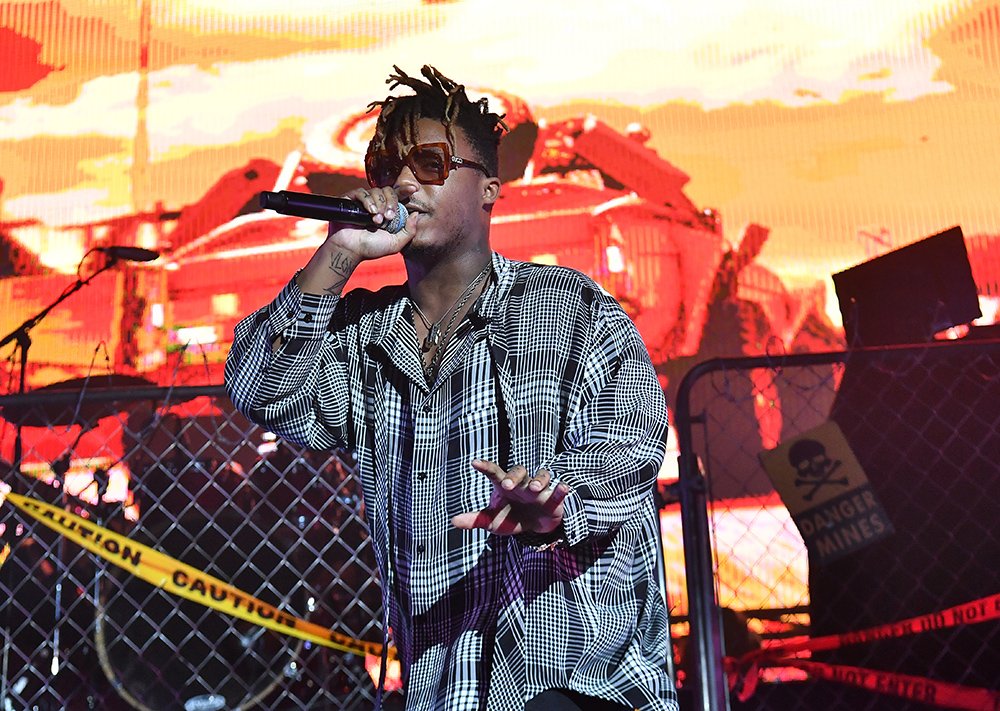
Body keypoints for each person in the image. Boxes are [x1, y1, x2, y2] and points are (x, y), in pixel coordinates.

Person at [225, 65, 677, 711]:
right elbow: (260, 389)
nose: (404, 181)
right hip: (445, 688)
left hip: (576, 681)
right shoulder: (360, 340)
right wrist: (340, 253)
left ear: (489, 187)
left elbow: (633, 441)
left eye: (432, 162)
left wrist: (555, 499)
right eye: (386, 167)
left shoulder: (568, 305)